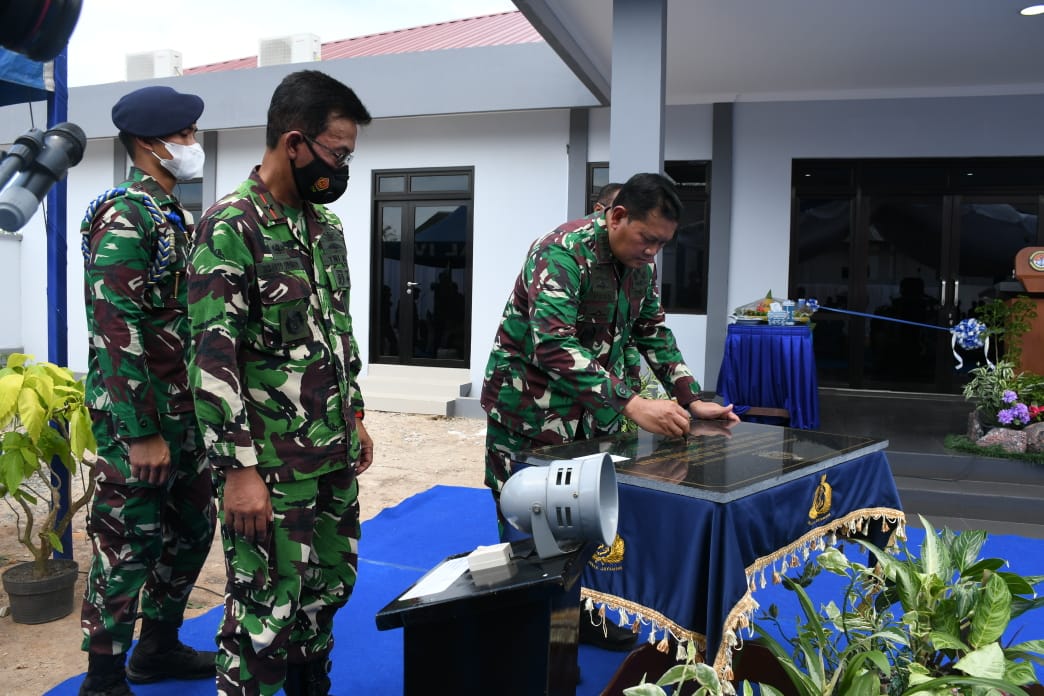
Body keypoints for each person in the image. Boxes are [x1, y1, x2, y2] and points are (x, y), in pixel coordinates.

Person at [481, 172, 739, 653]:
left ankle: (581, 614)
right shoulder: (560, 252)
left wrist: (689, 395)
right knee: (528, 522)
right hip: (531, 417)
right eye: (647, 239)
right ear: (617, 216)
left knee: (584, 516)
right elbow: (553, 344)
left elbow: (652, 332)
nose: (652, 253)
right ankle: (530, 637)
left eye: (662, 244)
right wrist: (633, 403)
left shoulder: (640, 266)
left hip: (592, 418)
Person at [187, 70, 374, 696]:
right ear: (294, 143)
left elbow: (336, 330)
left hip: (331, 455)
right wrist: (238, 472)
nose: (342, 167)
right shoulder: (230, 227)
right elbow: (213, 362)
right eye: (337, 152)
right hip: (268, 468)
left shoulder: (325, 230)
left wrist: (355, 416)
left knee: (328, 590)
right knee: (264, 611)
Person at [78, 85, 216, 696]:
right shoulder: (125, 214)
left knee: (193, 527)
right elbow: (114, 328)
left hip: (180, 413)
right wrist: (142, 433)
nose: (193, 145)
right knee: (126, 539)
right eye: (183, 136)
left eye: (191, 134)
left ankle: (157, 648)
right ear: (147, 144)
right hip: (140, 421)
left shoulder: (169, 215)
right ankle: (103, 675)